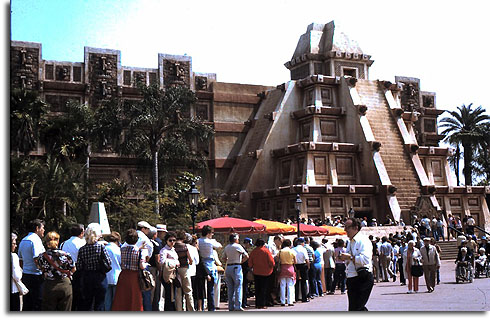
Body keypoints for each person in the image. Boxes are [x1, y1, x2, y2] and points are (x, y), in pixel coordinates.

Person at [76, 223, 112, 311]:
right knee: (99, 304)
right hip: (100, 277)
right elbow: (108, 262)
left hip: (87, 278)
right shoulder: (101, 247)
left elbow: (79, 266)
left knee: (87, 304)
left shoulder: (82, 249)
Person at [340, 217, 374, 311]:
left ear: (355, 227)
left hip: (362, 277)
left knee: (357, 308)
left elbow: (366, 259)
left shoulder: (363, 241)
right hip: (352, 277)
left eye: (347, 227)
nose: (345, 230)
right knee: (355, 308)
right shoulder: (350, 242)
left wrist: (350, 257)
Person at [37, 231, 76, 311]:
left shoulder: (42, 256)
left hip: (49, 285)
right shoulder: (66, 255)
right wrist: (69, 274)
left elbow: (40, 268)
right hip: (65, 285)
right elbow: (73, 268)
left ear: (47, 241)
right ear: (58, 241)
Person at [112, 229, 145, 311]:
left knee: (122, 299)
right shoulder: (139, 251)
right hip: (134, 276)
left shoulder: (122, 249)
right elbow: (142, 266)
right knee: (134, 299)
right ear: (137, 240)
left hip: (123, 275)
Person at [18, 219, 45, 311]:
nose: (44, 230)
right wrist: (43, 270)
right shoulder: (35, 240)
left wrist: (24, 270)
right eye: (43, 228)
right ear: (37, 228)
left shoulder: (23, 240)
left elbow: (20, 260)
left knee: (27, 302)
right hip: (36, 276)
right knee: (38, 302)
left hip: (26, 274)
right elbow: (36, 258)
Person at [61, 223, 85, 311]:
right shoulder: (82, 243)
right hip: (78, 272)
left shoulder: (63, 244)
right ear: (82, 232)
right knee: (79, 297)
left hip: (65, 272)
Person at [197, 225, 222, 311]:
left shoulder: (198, 241)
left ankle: (201, 307)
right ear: (208, 233)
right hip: (210, 264)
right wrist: (213, 240)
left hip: (201, 264)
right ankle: (211, 308)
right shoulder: (210, 242)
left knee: (201, 288)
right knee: (210, 289)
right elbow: (220, 246)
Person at [222, 233, 248, 311]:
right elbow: (246, 256)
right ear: (236, 239)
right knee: (238, 287)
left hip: (229, 267)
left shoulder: (227, 247)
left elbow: (223, 258)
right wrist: (241, 261)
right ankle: (238, 306)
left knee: (230, 288)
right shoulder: (238, 246)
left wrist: (229, 260)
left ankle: (231, 306)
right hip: (236, 266)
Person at [248, 238, 275, 309]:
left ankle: (257, 304)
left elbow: (250, 262)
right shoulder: (266, 251)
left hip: (256, 272)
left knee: (257, 288)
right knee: (264, 289)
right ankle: (262, 304)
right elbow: (271, 262)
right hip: (266, 272)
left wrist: (251, 268)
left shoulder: (253, 251)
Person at [174, 231, 194, 311]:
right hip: (184, 269)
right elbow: (190, 260)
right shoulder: (185, 246)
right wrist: (190, 262)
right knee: (188, 290)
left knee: (178, 291)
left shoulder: (174, 246)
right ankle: (190, 309)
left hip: (176, 269)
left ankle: (179, 309)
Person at [136, 221, 154, 311]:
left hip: (132, 266)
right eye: (147, 229)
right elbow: (150, 248)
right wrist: (147, 258)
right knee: (146, 289)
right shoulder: (145, 238)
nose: (148, 231)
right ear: (143, 229)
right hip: (143, 265)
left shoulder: (133, 236)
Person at [160, 231, 180, 311]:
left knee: (173, 295)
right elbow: (162, 262)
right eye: (170, 240)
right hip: (167, 275)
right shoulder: (164, 251)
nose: (172, 242)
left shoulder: (173, 250)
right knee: (169, 295)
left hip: (174, 274)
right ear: (166, 241)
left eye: (174, 240)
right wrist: (173, 262)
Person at [104, 231, 121, 311]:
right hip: (117, 277)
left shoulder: (104, 248)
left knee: (107, 302)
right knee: (116, 302)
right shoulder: (118, 250)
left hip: (106, 277)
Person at [277, 239, 296, 306]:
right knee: (290, 285)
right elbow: (295, 261)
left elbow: (277, 259)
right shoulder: (292, 251)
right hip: (290, 268)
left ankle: (282, 301)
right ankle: (290, 301)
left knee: (282, 285)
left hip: (282, 268)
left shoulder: (280, 251)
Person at [152, 224, 166, 311]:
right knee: (156, 291)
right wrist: (160, 270)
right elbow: (158, 259)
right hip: (156, 269)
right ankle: (155, 308)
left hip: (153, 268)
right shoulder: (158, 243)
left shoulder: (154, 242)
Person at [293, 237, 310, 302]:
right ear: (302, 243)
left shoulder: (293, 249)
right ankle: (304, 297)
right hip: (303, 265)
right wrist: (308, 266)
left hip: (296, 265)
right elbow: (306, 259)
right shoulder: (303, 249)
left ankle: (296, 297)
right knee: (304, 282)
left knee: (296, 282)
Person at [11, 233, 23, 311]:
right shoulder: (13, 256)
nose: (15, 246)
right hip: (13, 290)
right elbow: (17, 276)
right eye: (14, 243)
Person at [241, 237, 253, 308]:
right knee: (244, 287)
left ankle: (244, 301)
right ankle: (243, 302)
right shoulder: (243, 250)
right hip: (243, 270)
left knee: (244, 287)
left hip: (244, 270)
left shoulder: (243, 249)